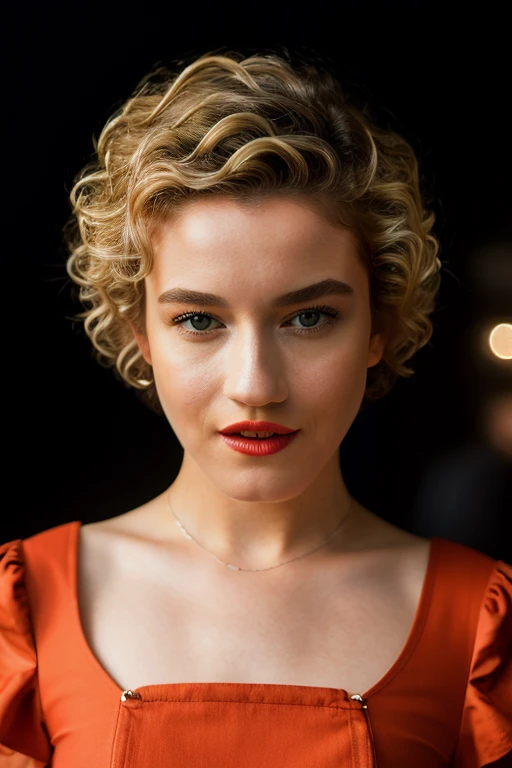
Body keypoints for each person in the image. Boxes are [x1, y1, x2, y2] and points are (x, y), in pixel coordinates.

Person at [0, 48, 510, 768]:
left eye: (308, 318)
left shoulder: (480, 633)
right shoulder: (25, 614)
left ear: (380, 325)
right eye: (200, 322)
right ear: (139, 332)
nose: (256, 385)